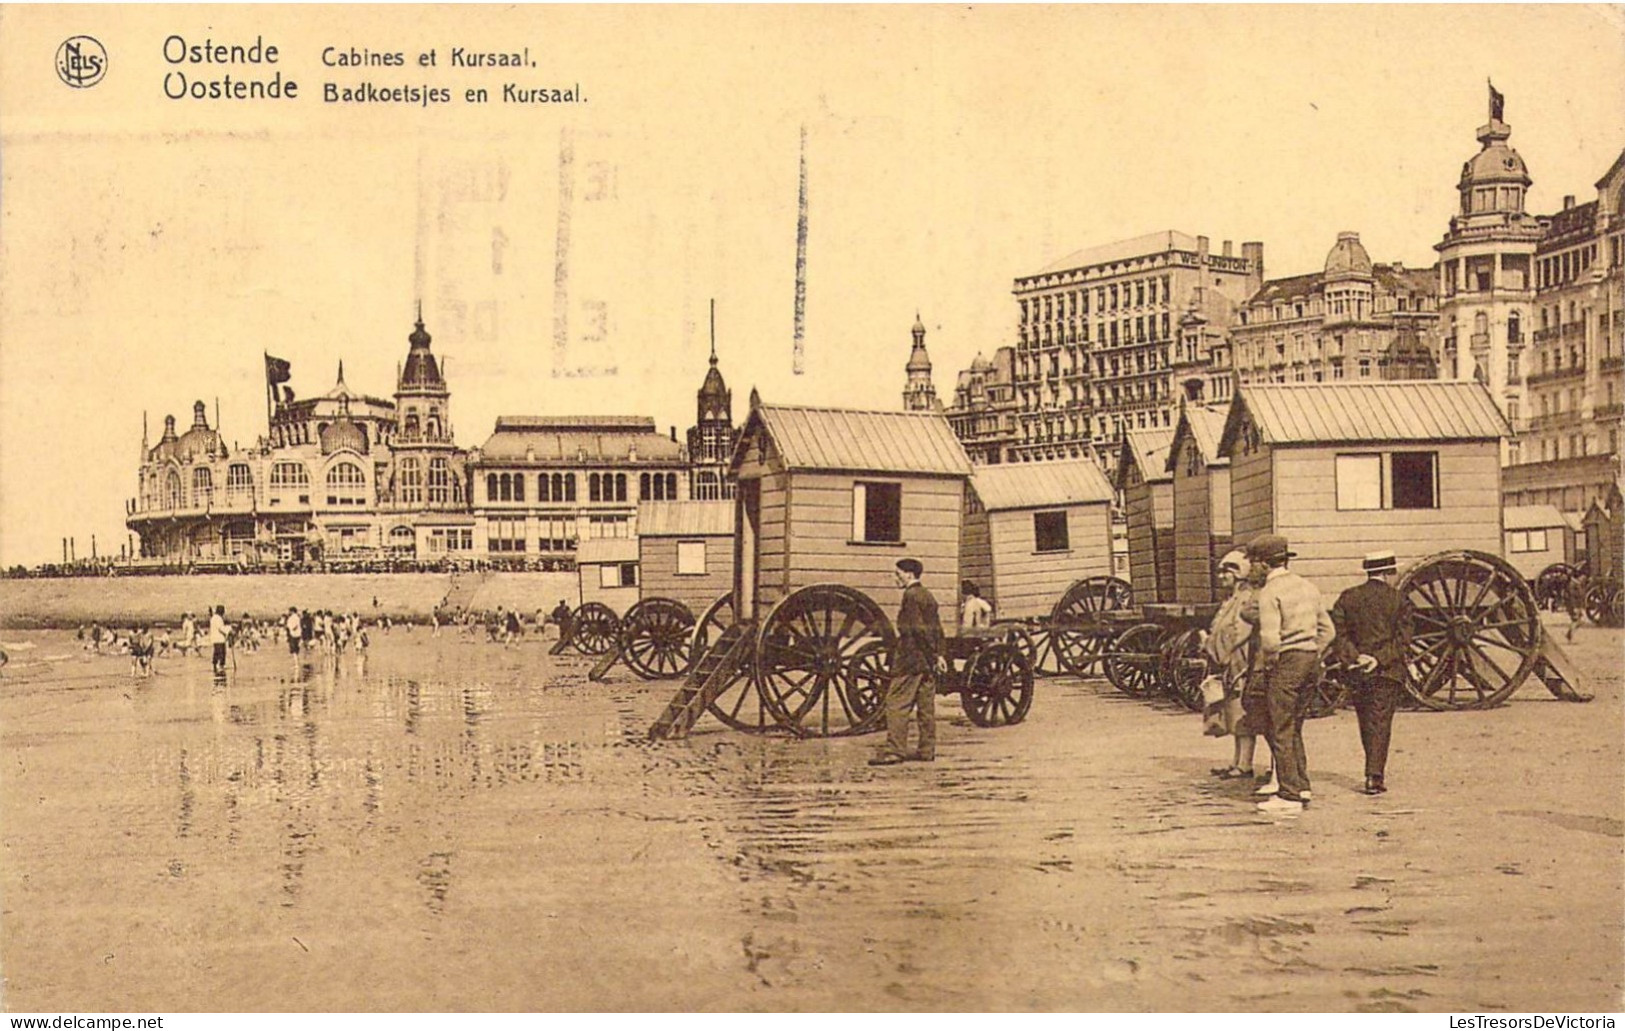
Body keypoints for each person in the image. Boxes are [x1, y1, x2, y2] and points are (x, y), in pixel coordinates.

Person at [1247, 534, 1335, 814]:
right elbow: (1328, 631)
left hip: (1286, 661)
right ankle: (1301, 783)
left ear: (1263, 564)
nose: (1251, 569)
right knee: (1295, 726)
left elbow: (1271, 640)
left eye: (1253, 563)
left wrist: (1271, 665)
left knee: (1279, 727)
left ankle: (1289, 795)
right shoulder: (1308, 587)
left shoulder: (1269, 593)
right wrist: (1311, 651)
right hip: (1309, 660)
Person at [1330, 550, 1406, 795]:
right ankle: (1374, 776)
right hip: (1387, 671)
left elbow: (1339, 635)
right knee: (1381, 722)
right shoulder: (1398, 600)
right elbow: (1403, 640)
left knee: (1366, 722)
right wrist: (1378, 658)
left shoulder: (1348, 597)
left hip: (1357, 671)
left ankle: (1372, 769)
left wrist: (1356, 658)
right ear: (1388, 573)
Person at [870, 558, 947, 766]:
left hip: (910, 660)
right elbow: (937, 629)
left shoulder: (911, 596)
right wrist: (938, 655)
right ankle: (926, 750)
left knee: (896, 704)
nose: (896, 578)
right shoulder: (927, 595)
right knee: (926, 708)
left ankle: (895, 751)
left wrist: (928, 653)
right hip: (927, 663)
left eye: (898, 574)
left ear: (909, 574)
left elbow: (917, 629)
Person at [1204, 550, 1264, 779]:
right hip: (1230, 661)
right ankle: (1237, 761)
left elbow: (1241, 631)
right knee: (1232, 710)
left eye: (1226, 571)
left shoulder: (1246, 597)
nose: (1221, 576)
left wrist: (1221, 650)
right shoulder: (1232, 598)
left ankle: (1245, 764)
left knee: (1242, 712)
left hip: (1241, 660)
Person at [1564, 568, 1590, 642]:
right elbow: (1578, 595)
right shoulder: (1575, 584)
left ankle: (1569, 634)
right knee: (1576, 621)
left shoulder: (1572, 583)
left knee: (1577, 620)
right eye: (1583, 578)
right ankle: (1569, 635)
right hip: (1575, 605)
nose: (1584, 579)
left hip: (1574, 605)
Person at [208, 605, 231, 675]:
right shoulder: (218, 619)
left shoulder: (214, 618)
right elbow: (221, 628)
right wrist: (229, 630)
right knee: (221, 653)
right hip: (219, 639)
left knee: (216, 652)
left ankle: (215, 666)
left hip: (215, 639)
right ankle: (220, 666)